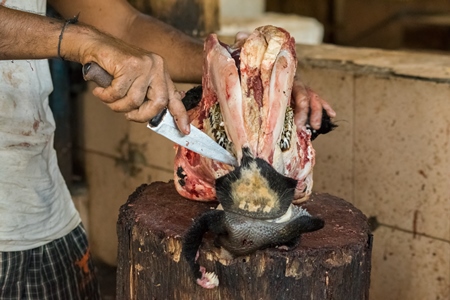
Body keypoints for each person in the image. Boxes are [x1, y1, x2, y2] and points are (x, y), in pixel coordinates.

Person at [0, 0, 335, 299]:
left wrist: (231, 72)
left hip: (45, 217)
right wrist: (85, 43)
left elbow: (123, 25)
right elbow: (98, 37)